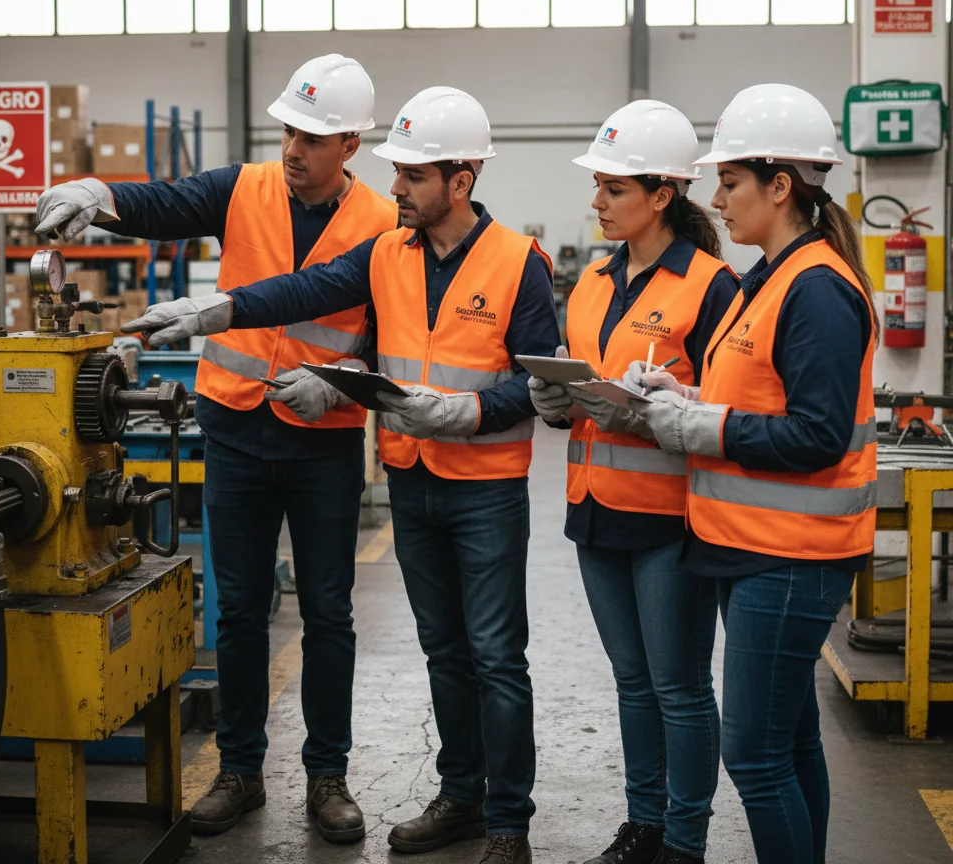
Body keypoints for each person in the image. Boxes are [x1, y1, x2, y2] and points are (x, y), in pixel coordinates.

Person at [123, 86, 562, 864]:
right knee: (444, 651)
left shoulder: (518, 262)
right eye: (396, 173)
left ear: (460, 181)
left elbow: (538, 384)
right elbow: (304, 291)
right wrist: (214, 311)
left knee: (494, 654)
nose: (396, 189)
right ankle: (460, 797)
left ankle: (508, 823)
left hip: (484, 485)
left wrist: (464, 414)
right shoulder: (388, 253)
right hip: (412, 478)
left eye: (414, 177)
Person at [34, 54, 399, 842]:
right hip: (235, 426)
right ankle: (239, 771)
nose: (293, 149)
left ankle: (327, 777)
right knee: (237, 610)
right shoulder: (245, 188)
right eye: (288, 131)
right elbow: (163, 203)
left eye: (312, 137)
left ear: (350, 147)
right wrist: (98, 196)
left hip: (324, 440)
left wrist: (344, 384)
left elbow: (393, 337)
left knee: (329, 615)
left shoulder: (380, 221)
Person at [630, 83, 877, 864]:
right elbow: (758, 395)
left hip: (793, 556)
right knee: (792, 742)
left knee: (756, 758)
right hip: (758, 548)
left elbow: (817, 435)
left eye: (730, 182)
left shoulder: (818, 289)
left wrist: (702, 426)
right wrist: (688, 394)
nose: (716, 198)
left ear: (781, 186)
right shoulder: (769, 277)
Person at [528, 101, 738, 864]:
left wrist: (661, 410)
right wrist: (554, 400)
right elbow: (582, 382)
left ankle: (684, 839)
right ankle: (643, 826)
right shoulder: (592, 280)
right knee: (631, 681)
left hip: (671, 520)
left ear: (661, 196)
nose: (596, 203)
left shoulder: (711, 286)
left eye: (612, 190)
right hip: (594, 509)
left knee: (679, 687)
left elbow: (729, 407)